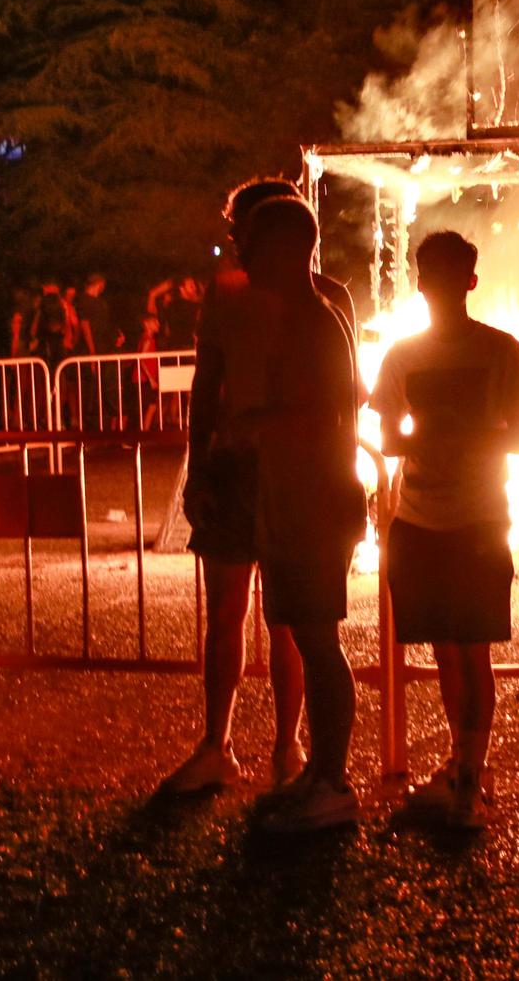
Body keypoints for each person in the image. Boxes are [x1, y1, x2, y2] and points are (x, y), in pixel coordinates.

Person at [161, 178, 356, 803]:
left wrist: (337, 477)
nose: (235, 247)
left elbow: (339, 403)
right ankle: (218, 745)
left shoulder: (325, 304)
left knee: (295, 622)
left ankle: (292, 746)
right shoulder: (225, 299)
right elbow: (208, 382)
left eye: (243, 234)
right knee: (227, 610)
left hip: (294, 476)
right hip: (236, 469)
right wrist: (201, 463)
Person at [371, 231, 519, 830]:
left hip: (473, 515)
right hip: (425, 517)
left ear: (469, 282)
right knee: (450, 647)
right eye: (434, 277)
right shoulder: (406, 356)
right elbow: (390, 437)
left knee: (469, 649)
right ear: (425, 284)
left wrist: (448, 437)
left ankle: (470, 769)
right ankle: (463, 761)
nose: (441, 287)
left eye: (448, 276)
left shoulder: (499, 350)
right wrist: (443, 437)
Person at [230, 196, 367, 833]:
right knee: (311, 642)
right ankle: (319, 773)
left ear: (286, 250)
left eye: (252, 243)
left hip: (316, 501)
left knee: (319, 640)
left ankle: (334, 780)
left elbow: (325, 417)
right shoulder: (290, 319)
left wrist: (252, 425)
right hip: (293, 500)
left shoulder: (314, 324)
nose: (241, 254)